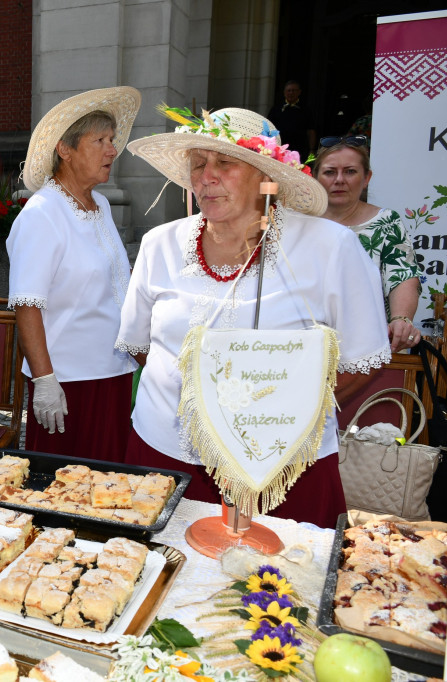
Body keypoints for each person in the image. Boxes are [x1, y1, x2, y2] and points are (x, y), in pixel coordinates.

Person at [120, 107, 391, 528]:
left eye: (225, 163)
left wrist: (279, 417)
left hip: (282, 466)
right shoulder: (160, 244)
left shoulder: (331, 247)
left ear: (267, 178)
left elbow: (363, 358)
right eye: (198, 164)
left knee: (277, 585)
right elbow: (141, 346)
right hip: (165, 454)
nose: (206, 176)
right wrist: (195, 403)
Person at [6, 87, 141, 462]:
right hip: (68, 383)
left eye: (111, 140)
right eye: (99, 140)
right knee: (64, 488)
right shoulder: (42, 214)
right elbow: (27, 305)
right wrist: (45, 380)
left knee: (108, 486)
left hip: (111, 373)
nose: (111, 150)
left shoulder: (100, 205)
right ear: (65, 149)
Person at [314, 136, 422, 352]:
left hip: (366, 346)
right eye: (329, 172)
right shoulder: (296, 222)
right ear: (315, 177)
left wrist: (401, 319)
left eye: (350, 171)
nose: (339, 179)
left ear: (366, 178)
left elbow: (403, 276)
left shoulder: (386, 222)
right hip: (305, 343)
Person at [267, 80, 316, 160]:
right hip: (280, 148)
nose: (291, 93)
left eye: (294, 90)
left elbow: (311, 131)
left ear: (299, 92)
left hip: (300, 150)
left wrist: (312, 149)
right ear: (284, 92)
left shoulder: (306, 110)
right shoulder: (276, 109)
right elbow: (269, 128)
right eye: (288, 90)